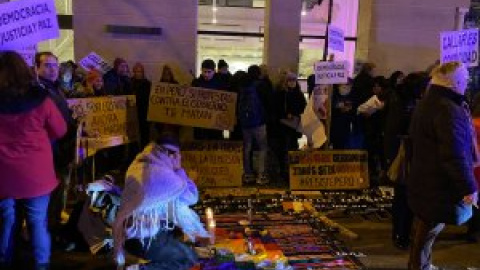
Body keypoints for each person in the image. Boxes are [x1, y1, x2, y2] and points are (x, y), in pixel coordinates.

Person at [407, 61, 478, 270]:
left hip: (427, 178)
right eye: (464, 79)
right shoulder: (448, 109)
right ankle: (419, 266)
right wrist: (468, 187)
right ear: (454, 81)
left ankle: (421, 264)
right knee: (428, 228)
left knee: (425, 227)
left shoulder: (430, 101)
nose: (467, 82)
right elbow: (454, 153)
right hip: (438, 182)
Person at [0, 51, 67, 270]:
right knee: (38, 222)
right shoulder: (40, 98)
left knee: (5, 221)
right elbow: (60, 129)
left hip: (3, 174)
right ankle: (41, 265)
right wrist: (39, 138)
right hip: (36, 173)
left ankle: (4, 260)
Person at [113, 135, 208, 270]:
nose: (180, 159)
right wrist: (180, 171)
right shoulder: (162, 174)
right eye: (179, 156)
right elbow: (191, 197)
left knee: (188, 252)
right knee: (188, 259)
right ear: (172, 155)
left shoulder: (138, 165)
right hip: (145, 238)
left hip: (131, 235)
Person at [384, 72, 429, 250]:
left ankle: (402, 233)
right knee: (404, 199)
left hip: (406, 157)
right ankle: (401, 235)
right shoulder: (404, 104)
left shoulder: (407, 102)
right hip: (404, 159)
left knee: (404, 198)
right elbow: (395, 132)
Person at [35, 51, 74, 236]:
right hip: (50, 150)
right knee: (50, 193)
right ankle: (48, 229)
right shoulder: (38, 91)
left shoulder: (56, 88)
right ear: (37, 68)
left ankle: (54, 224)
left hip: (61, 149)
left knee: (59, 190)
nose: (52, 69)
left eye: (55, 65)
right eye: (47, 65)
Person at [235, 67, 269, 185]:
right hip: (259, 123)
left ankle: (248, 174)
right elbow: (267, 102)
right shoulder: (260, 86)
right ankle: (261, 174)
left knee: (247, 148)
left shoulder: (241, 87)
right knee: (262, 148)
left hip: (245, 124)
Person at [271, 72, 307, 184]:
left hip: (293, 127)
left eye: (294, 80)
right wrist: (285, 114)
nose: (292, 82)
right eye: (290, 80)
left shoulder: (298, 94)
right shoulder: (281, 94)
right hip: (283, 127)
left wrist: (297, 115)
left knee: (292, 147)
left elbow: (303, 107)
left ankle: (291, 172)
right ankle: (284, 172)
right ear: (285, 82)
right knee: (284, 149)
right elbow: (276, 109)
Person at [191, 59, 224, 140]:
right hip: (200, 122)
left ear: (214, 71)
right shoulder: (196, 83)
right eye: (204, 71)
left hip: (215, 122)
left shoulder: (220, 83)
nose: (206, 74)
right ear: (201, 70)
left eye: (209, 72)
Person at [131, 63, 152, 148]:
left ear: (143, 72)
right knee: (133, 134)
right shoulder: (130, 82)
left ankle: (144, 151)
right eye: (136, 71)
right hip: (133, 112)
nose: (138, 73)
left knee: (145, 134)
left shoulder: (147, 83)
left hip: (144, 112)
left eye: (140, 71)